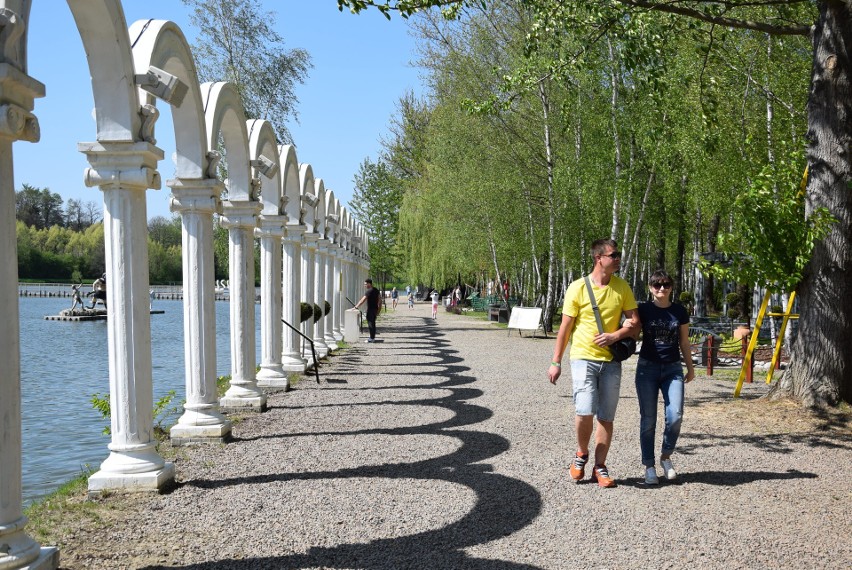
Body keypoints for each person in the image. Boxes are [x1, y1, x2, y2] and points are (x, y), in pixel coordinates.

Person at [547, 239, 639, 488]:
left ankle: (600, 467)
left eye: (618, 254)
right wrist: (556, 362)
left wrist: (616, 335)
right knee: (584, 411)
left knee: (606, 416)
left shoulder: (622, 288)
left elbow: (635, 322)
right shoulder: (577, 288)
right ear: (599, 258)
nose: (618, 258)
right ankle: (581, 454)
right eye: (614, 255)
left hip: (611, 361)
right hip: (583, 358)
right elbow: (565, 328)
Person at [635, 270, 695, 485]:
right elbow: (630, 331)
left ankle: (666, 457)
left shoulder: (679, 310)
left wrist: (690, 367)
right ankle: (649, 466)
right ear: (650, 288)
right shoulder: (643, 310)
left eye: (666, 285)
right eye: (657, 285)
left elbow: (684, 342)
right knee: (648, 419)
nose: (662, 289)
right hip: (647, 369)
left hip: (673, 369)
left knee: (676, 414)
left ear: (671, 287)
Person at [353, 278, 382, 343]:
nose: (365, 285)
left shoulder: (369, 291)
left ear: (369, 284)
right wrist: (379, 309)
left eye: (365, 284)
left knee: (370, 323)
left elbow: (363, 300)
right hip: (375, 309)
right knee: (373, 323)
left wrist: (356, 307)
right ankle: (372, 337)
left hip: (370, 309)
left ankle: (371, 338)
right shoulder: (376, 290)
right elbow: (380, 300)